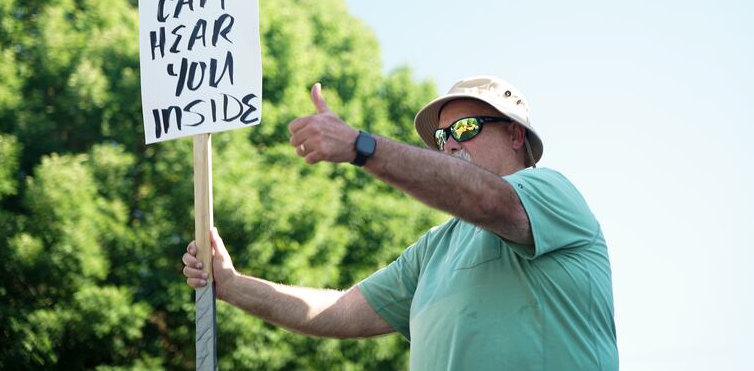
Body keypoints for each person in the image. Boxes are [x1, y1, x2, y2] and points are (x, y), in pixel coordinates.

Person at [182, 76, 618, 370]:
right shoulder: (434, 248)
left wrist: (360, 146)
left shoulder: (551, 193)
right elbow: (341, 311)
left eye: (466, 128)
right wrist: (233, 285)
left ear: (516, 135)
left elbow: (489, 199)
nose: (450, 144)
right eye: (442, 137)